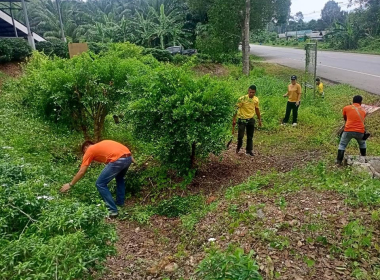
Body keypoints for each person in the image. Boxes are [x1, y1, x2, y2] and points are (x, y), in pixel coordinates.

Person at [60, 140, 135, 217]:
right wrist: (130, 160)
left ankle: (113, 210)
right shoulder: (103, 145)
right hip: (128, 157)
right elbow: (122, 149)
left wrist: (70, 184)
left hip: (118, 160)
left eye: (84, 152)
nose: (84, 154)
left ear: (86, 147)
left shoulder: (90, 149)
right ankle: (120, 203)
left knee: (100, 184)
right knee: (120, 179)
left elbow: (82, 171)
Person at [336, 95, 367, 165]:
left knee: (342, 145)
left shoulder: (346, 108)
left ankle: (338, 162)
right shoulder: (363, 110)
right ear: (361, 102)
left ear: (353, 101)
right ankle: (364, 158)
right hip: (360, 131)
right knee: (362, 144)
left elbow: (345, 118)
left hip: (348, 130)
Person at [233, 85, 262, 156]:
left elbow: (257, 109)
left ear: (255, 92)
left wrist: (259, 119)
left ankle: (249, 151)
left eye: (253, 92)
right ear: (248, 91)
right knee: (240, 136)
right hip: (242, 119)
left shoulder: (256, 99)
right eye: (250, 92)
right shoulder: (242, 99)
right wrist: (234, 119)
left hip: (251, 119)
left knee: (250, 136)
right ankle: (238, 148)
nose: (251, 94)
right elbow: (236, 109)